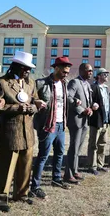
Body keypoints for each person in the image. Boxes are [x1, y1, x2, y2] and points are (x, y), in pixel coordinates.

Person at [0, 51, 43, 212]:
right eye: (24, 68)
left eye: (29, 69)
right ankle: (1, 198)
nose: (27, 71)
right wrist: (16, 107)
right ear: (15, 66)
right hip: (10, 133)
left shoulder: (31, 83)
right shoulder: (1, 83)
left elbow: (36, 101)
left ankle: (21, 194)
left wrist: (33, 107)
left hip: (28, 132)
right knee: (6, 167)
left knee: (26, 165)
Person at [29, 57, 72, 199]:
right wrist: (36, 101)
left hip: (60, 124)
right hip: (47, 125)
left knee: (59, 153)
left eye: (67, 72)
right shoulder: (41, 83)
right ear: (56, 68)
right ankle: (35, 186)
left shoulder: (64, 84)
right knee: (43, 156)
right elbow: (30, 98)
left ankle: (56, 178)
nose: (66, 74)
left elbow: (66, 101)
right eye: (64, 71)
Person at [64, 63, 94, 184]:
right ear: (82, 70)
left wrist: (91, 108)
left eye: (92, 70)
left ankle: (75, 170)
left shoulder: (87, 84)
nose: (91, 72)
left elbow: (87, 101)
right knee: (74, 147)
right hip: (76, 119)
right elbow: (69, 97)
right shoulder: (74, 82)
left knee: (79, 147)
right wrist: (82, 109)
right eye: (89, 70)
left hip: (85, 119)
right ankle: (68, 174)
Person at [87, 68, 110, 175]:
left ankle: (100, 164)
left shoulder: (106, 88)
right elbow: (88, 100)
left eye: (107, 74)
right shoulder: (93, 87)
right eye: (105, 74)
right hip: (96, 121)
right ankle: (92, 166)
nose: (107, 76)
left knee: (102, 144)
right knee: (93, 144)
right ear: (99, 75)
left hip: (105, 121)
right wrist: (92, 105)